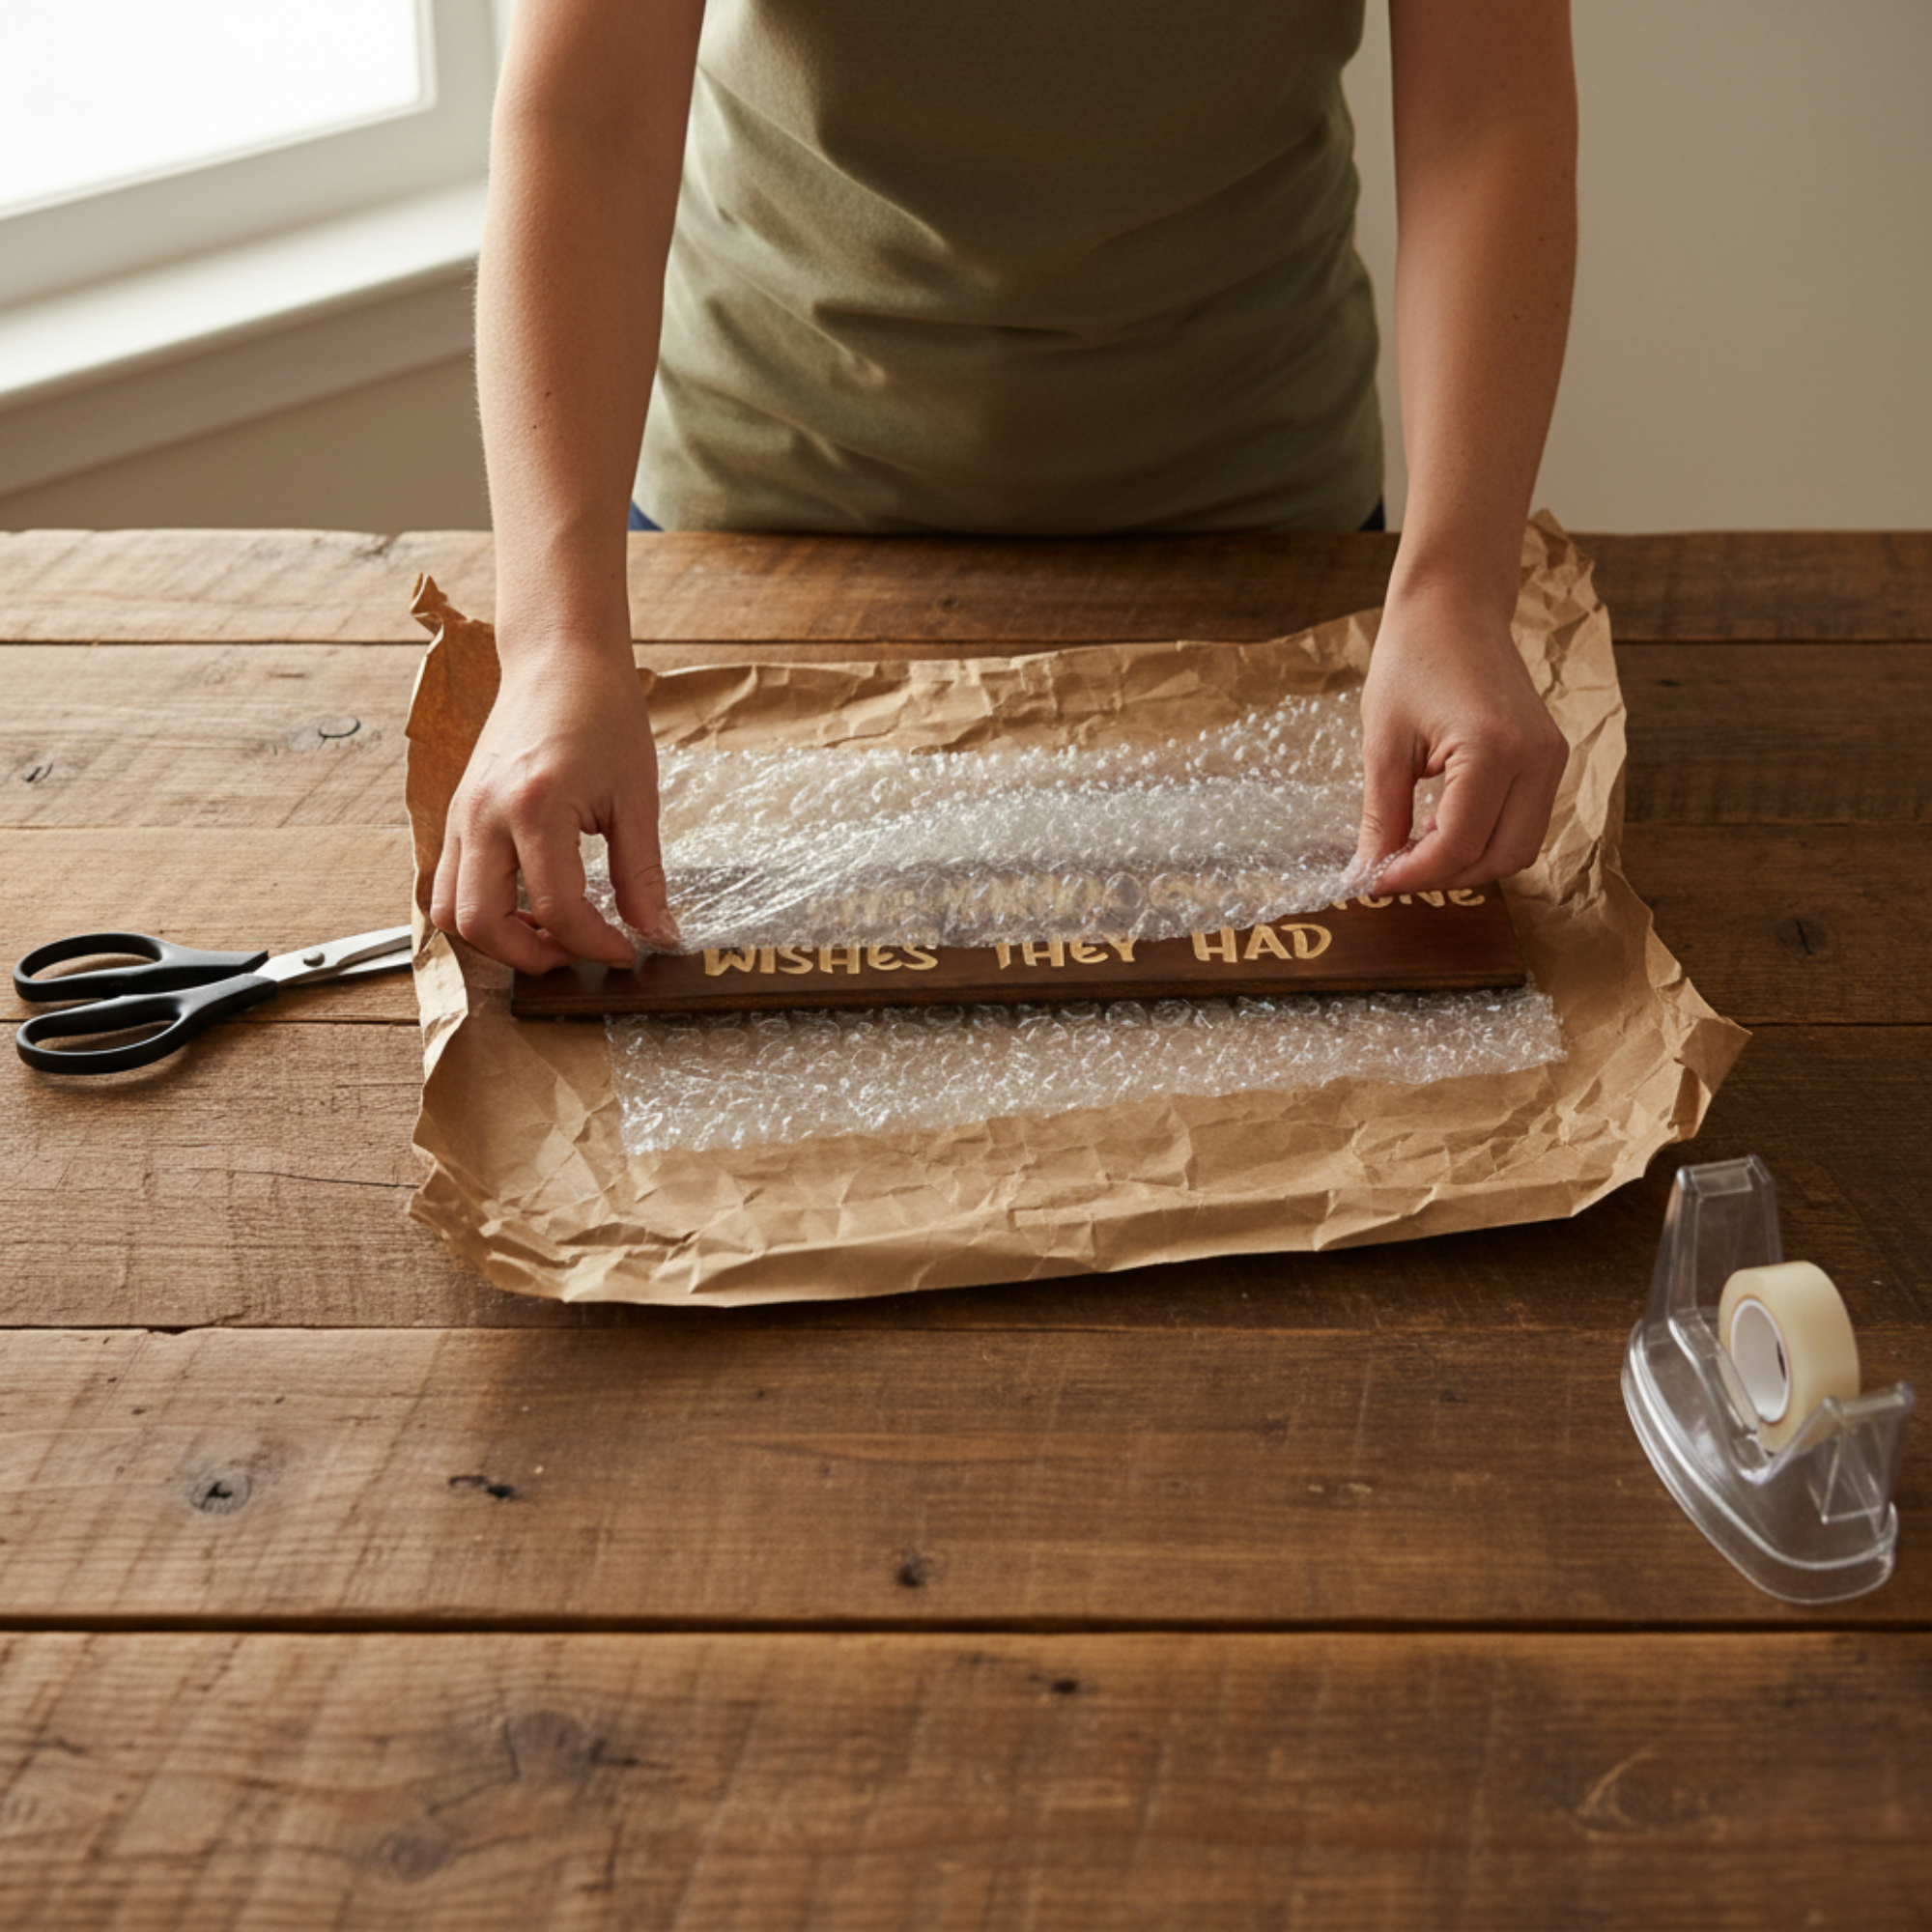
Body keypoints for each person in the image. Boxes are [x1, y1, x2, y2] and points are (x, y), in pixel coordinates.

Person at [430, 0, 1576, 975]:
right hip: (762, 527)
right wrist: (556, 642)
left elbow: (1485, 117)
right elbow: (587, 120)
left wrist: (1457, 588)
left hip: (1264, 532)